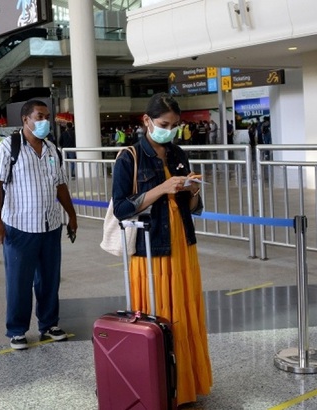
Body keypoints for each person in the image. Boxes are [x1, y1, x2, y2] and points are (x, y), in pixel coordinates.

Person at [111, 92, 212, 405]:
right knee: (159, 315)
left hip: (182, 243)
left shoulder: (178, 153)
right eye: (164, 124)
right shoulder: (129, 156)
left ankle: (185, 385)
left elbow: (193, 207)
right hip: (151, 248)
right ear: (147, 121)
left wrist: (192, 190)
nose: (169, 130)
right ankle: (157, 384)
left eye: (174, 125)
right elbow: (121, 208)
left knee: (186, 313)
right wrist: (162, 188)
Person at [0, 99, 78, 350]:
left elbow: (60, 185)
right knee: (19, 281)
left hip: (50, 226)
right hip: (19, 227)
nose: (44, 121)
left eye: (47, 116)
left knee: (49, 279)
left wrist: (71, 215)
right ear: (25, 119)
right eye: (39, 116)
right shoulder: (8, 147)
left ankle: (49, 324)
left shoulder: (51, 149)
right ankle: (17, 330)